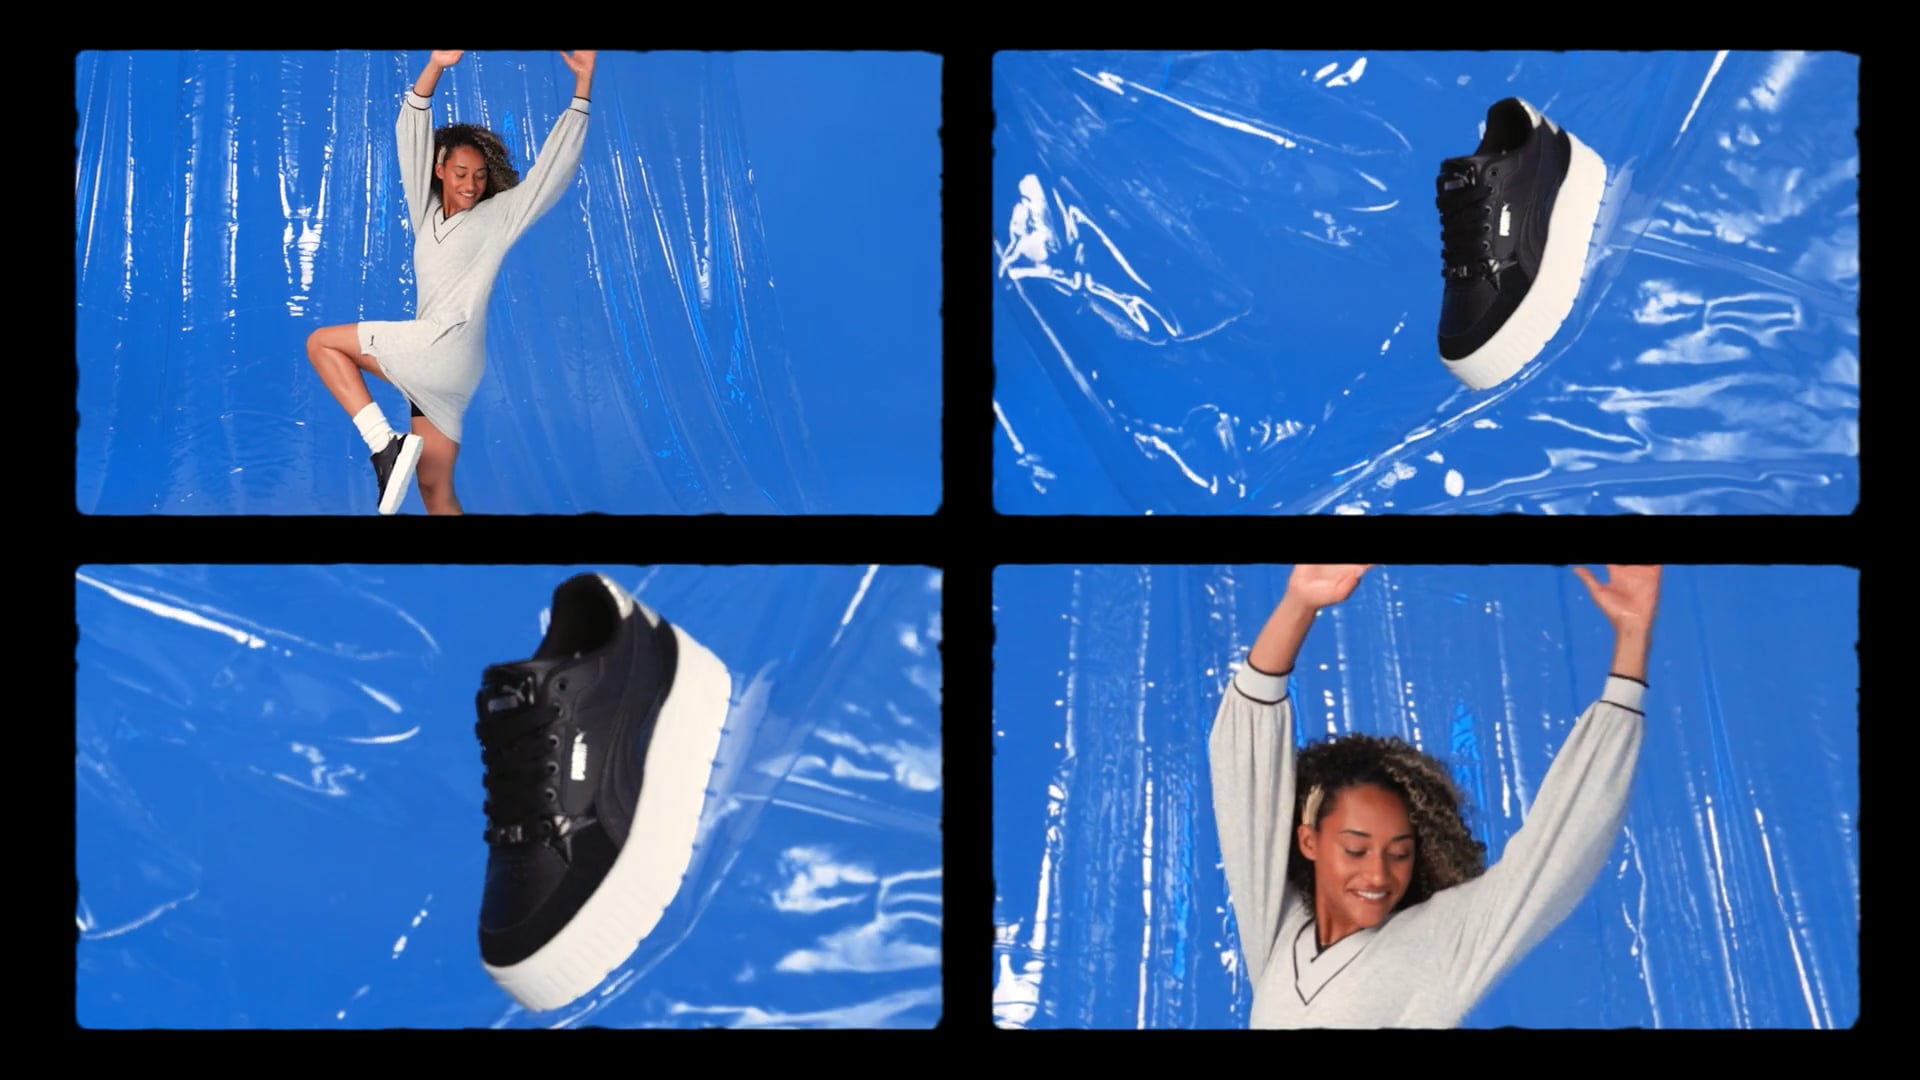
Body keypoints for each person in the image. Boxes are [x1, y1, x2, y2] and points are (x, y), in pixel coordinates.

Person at [1208, 563, 1657, 1028]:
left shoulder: (1441, 941)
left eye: (1399, 853)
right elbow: (1243, 769)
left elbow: (1561, 846)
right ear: (1309, 842)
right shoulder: (1278, 929)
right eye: (1356, 849)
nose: (1378, 873)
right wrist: (1298, 605)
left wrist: (1631, 639)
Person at [304, 50, 597, 514]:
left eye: (480, 176)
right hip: (449, 371)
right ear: (440, 170)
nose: (471, 184)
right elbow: (412, 132)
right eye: (461, 173)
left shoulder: (497, 217)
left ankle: (384, 446)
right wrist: (435, 65)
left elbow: (551, 173)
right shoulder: (427, 212)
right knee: (434, 491)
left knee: (322, 343)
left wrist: (582, 89)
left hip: (443, 346)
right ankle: (478, 580)